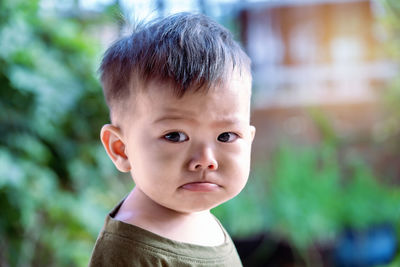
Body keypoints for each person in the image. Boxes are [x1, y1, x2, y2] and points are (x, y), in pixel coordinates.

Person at [89, 12, 256, 267]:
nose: (205, 161)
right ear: (121, 149)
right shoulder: (130, 252)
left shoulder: (201, 217)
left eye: (226, 136)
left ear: (249, 140)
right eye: (175, 136)